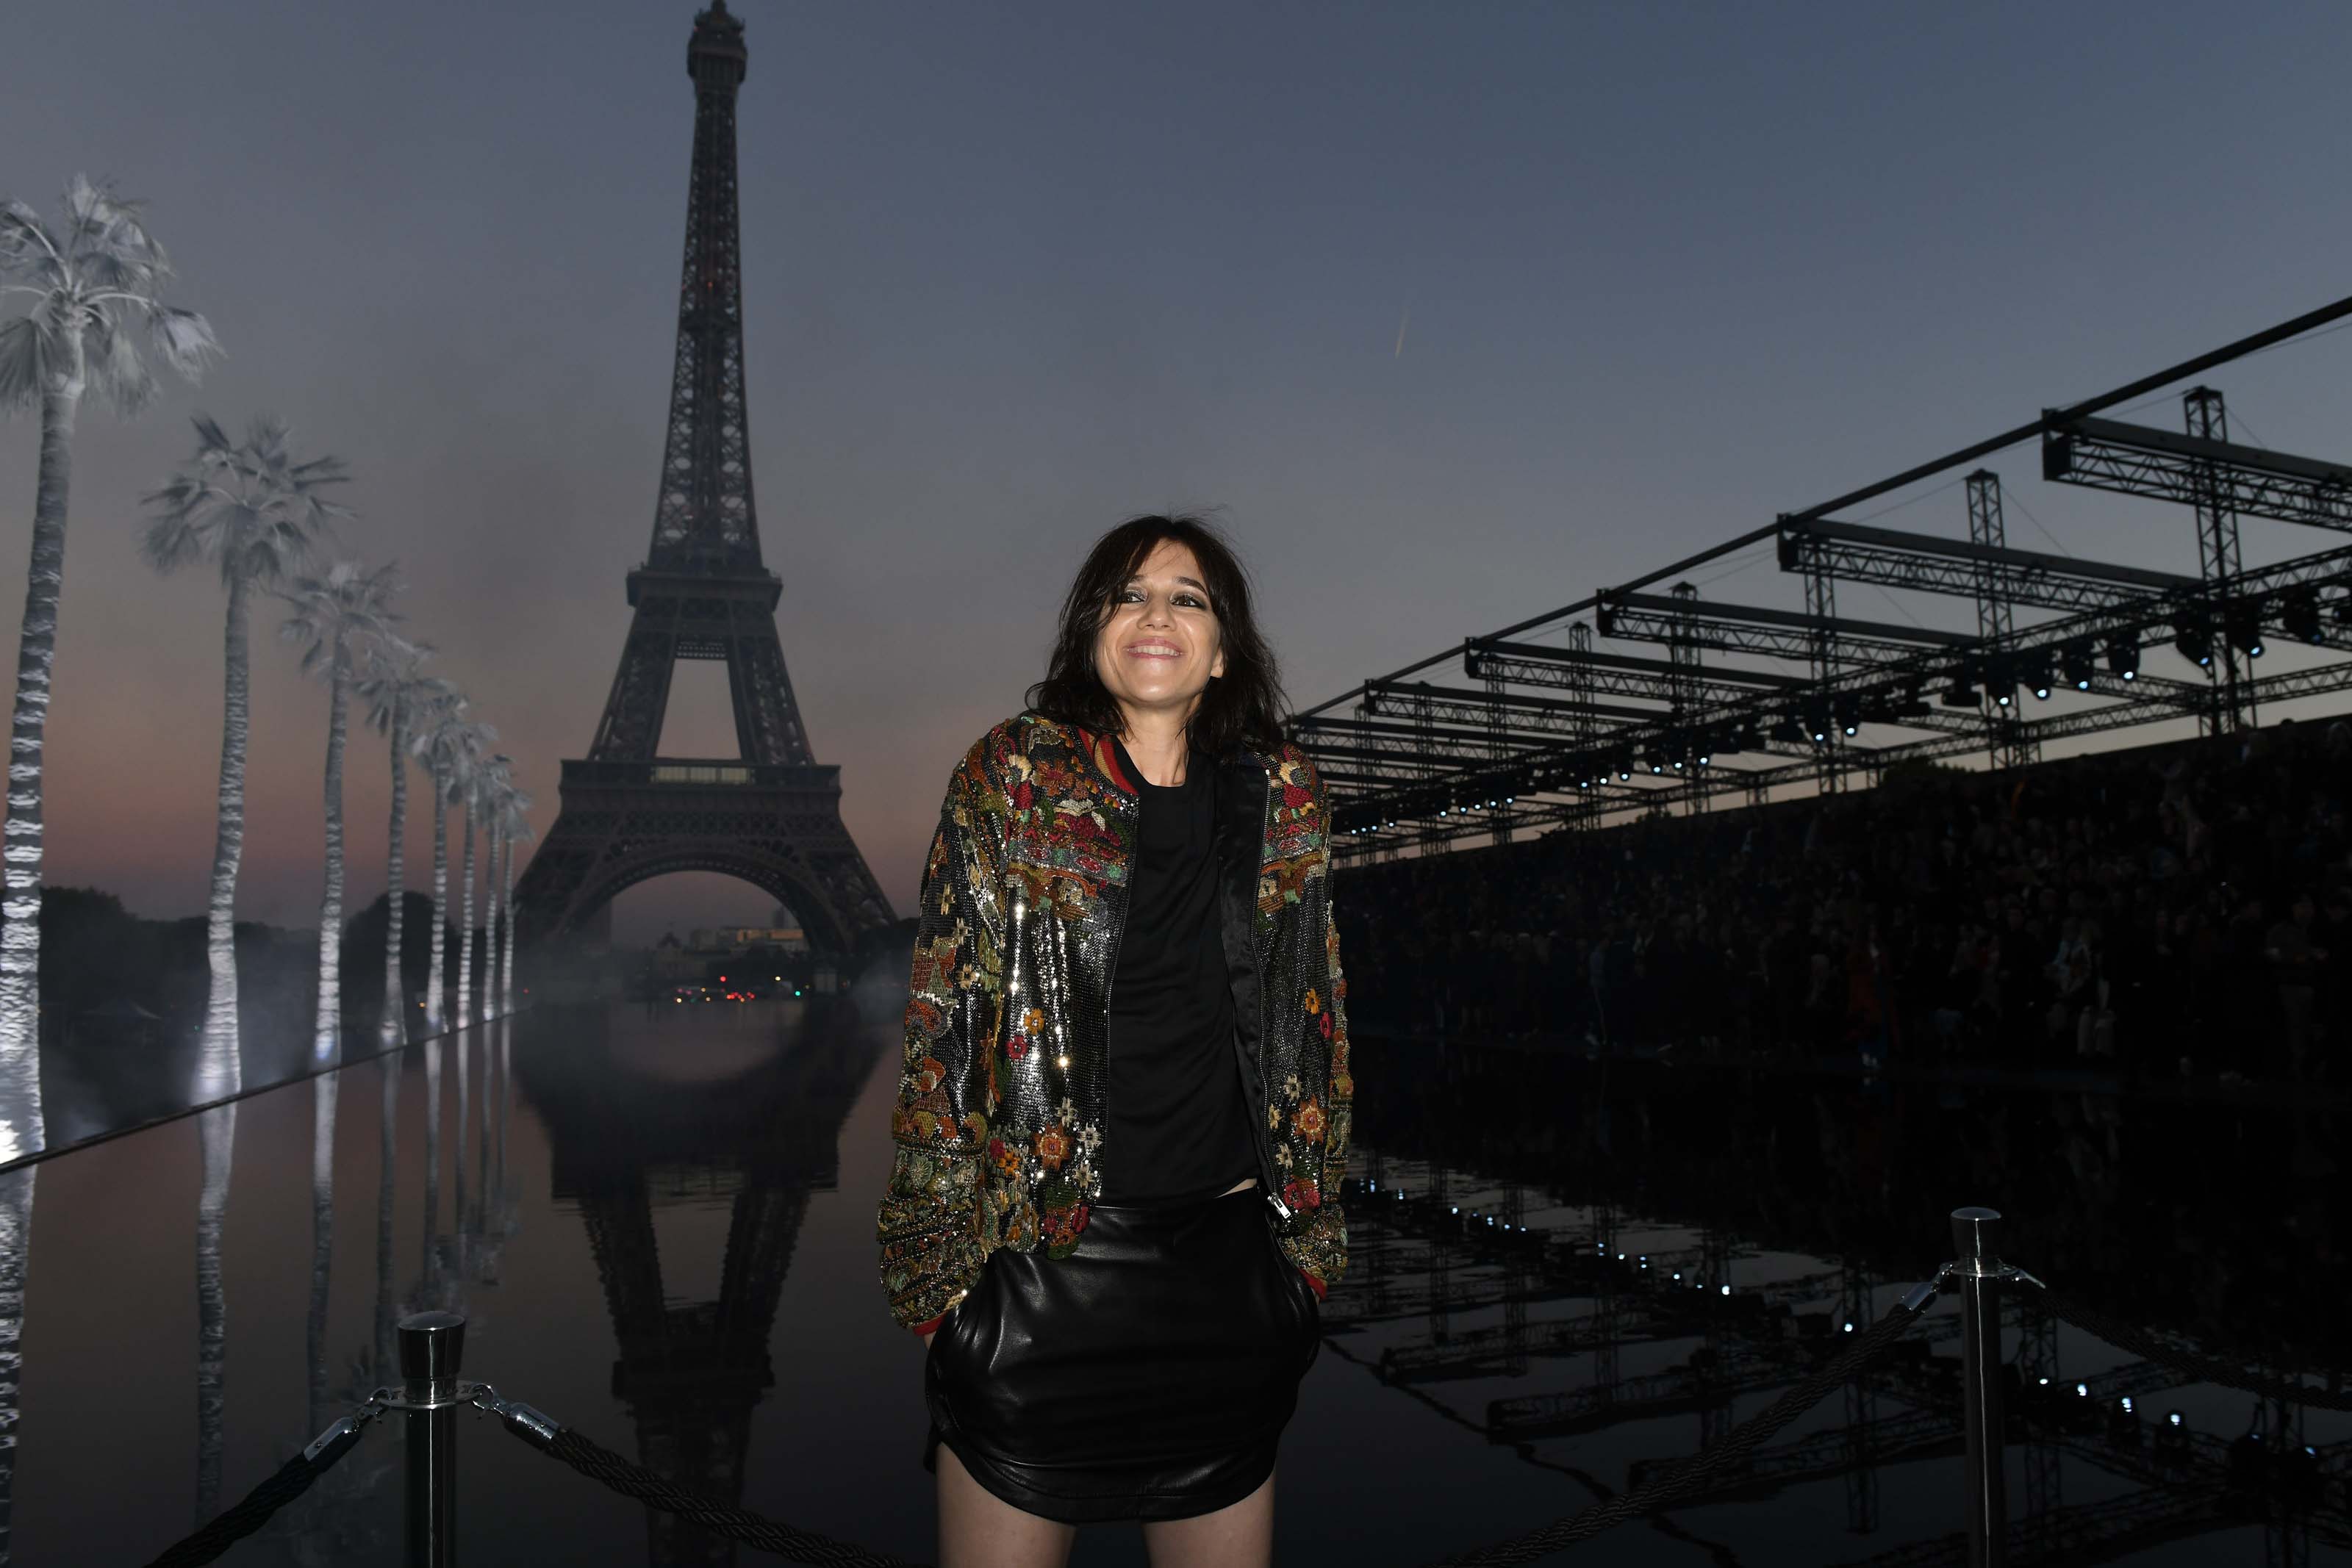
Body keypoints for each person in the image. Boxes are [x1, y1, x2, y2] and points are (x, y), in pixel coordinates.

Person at [876, 515, 1350, 1567]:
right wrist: (941, 1291)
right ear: (1093, 628)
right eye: (1130, 592)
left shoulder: (1286, 799)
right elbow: (942, 1023)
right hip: (1041, 1280)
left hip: (1228, 1287)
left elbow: (1314, 1023)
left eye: (1189, 597)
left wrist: (1304, 1262)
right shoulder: (1009, 777)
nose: (1157, 614)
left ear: (1222, 648)